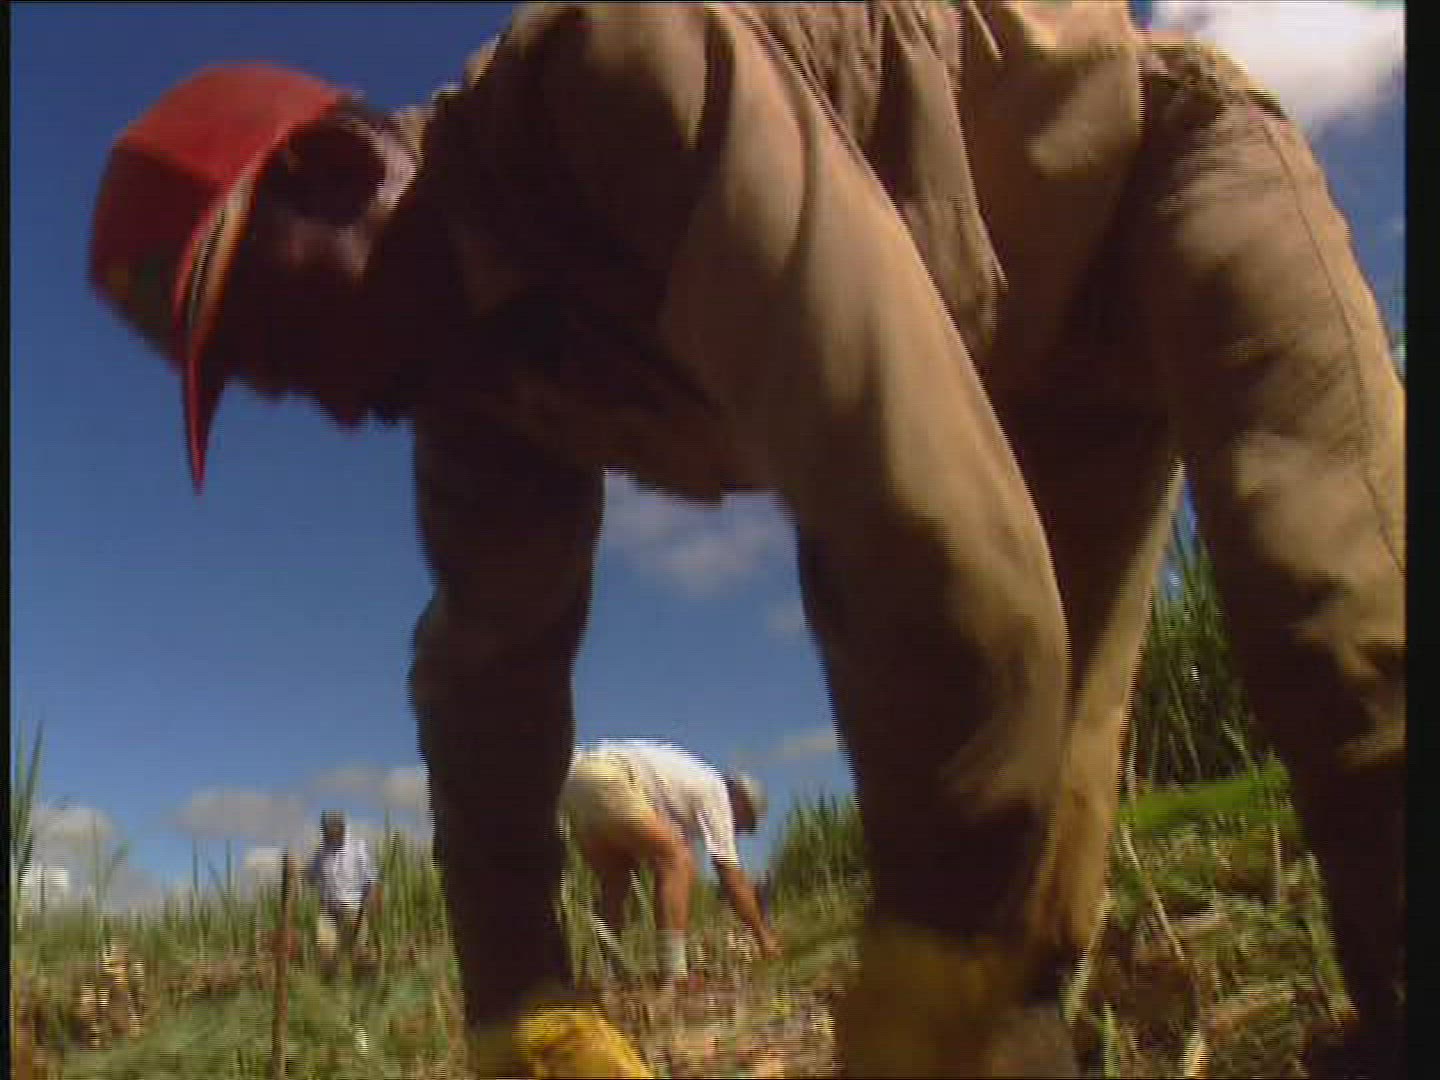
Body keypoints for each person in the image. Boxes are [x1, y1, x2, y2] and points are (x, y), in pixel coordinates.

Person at [89, 3, 1404, 1076]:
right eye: (270, 387)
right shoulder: (480, 400)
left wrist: (931, 927)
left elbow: (900, 489)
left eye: (285, 334)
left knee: (1340, 616)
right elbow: (488, 682)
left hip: (1154, 178)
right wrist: (519, 1005)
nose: (324, 404)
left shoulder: (609, 79)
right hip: (1008, 385)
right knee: (1030, 892)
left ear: (332, 169)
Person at [561, 740, 780, 984]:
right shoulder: (717, 792)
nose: (739, 831)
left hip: (573, 782)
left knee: (616, 880)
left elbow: (659, 863)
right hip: (608, 776)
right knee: (678, 859)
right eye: (746, 824)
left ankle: (612, 970)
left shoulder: (685, 793)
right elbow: (731, 876)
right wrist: (762, 935)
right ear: (740, 803)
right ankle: (675, 973)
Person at [305, 811, 379, 978]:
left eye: (333, 831)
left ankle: (363, 985)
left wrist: (372, 902)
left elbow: (372, 878)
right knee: (325, 948)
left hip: (353, 908)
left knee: (358, 950)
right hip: (328, 910)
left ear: (342, 829)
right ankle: (331, 984)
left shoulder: (357, 848)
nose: (329, 835)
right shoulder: (321, 852)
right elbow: (311, 877)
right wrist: (298, 871)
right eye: (326, 832)